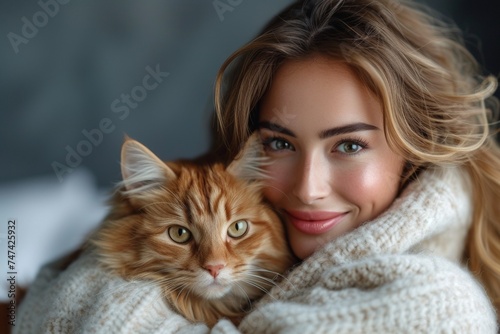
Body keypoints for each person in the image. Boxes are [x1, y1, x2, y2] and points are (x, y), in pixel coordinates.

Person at [16, 0, 500, 332]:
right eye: (280, 143)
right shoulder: (254, 222)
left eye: (349, 145)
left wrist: (84, 290)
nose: (308, 189)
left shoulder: (434, 304)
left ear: (416, 148)